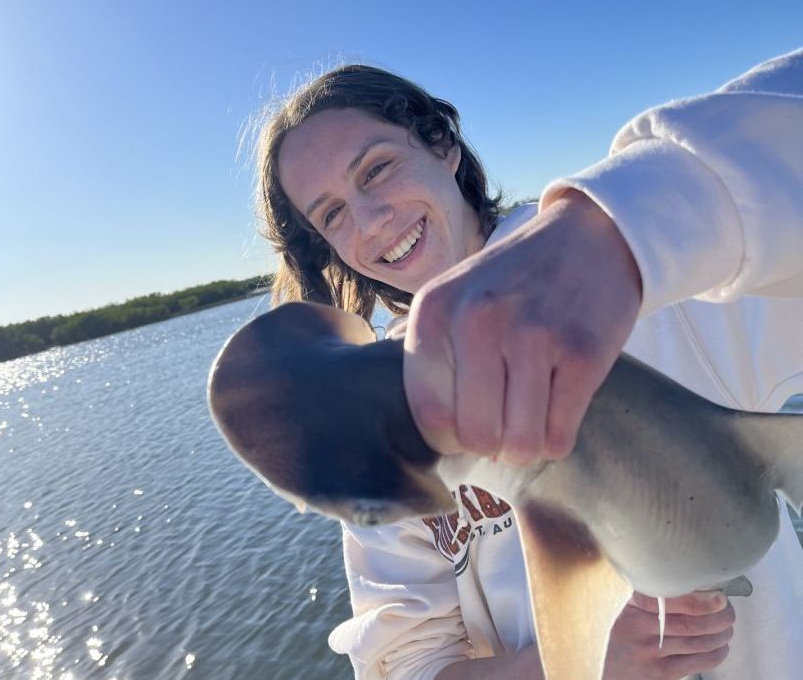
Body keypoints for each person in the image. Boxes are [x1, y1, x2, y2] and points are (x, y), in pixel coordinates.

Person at [255, 50, 803, 679]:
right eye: (331, 214)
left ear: (442, 144)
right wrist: (573, 667)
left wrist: (624, 229)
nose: (370, 221)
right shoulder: (380, 419)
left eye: (376, 169)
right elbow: (406, 664)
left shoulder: (646, 273)